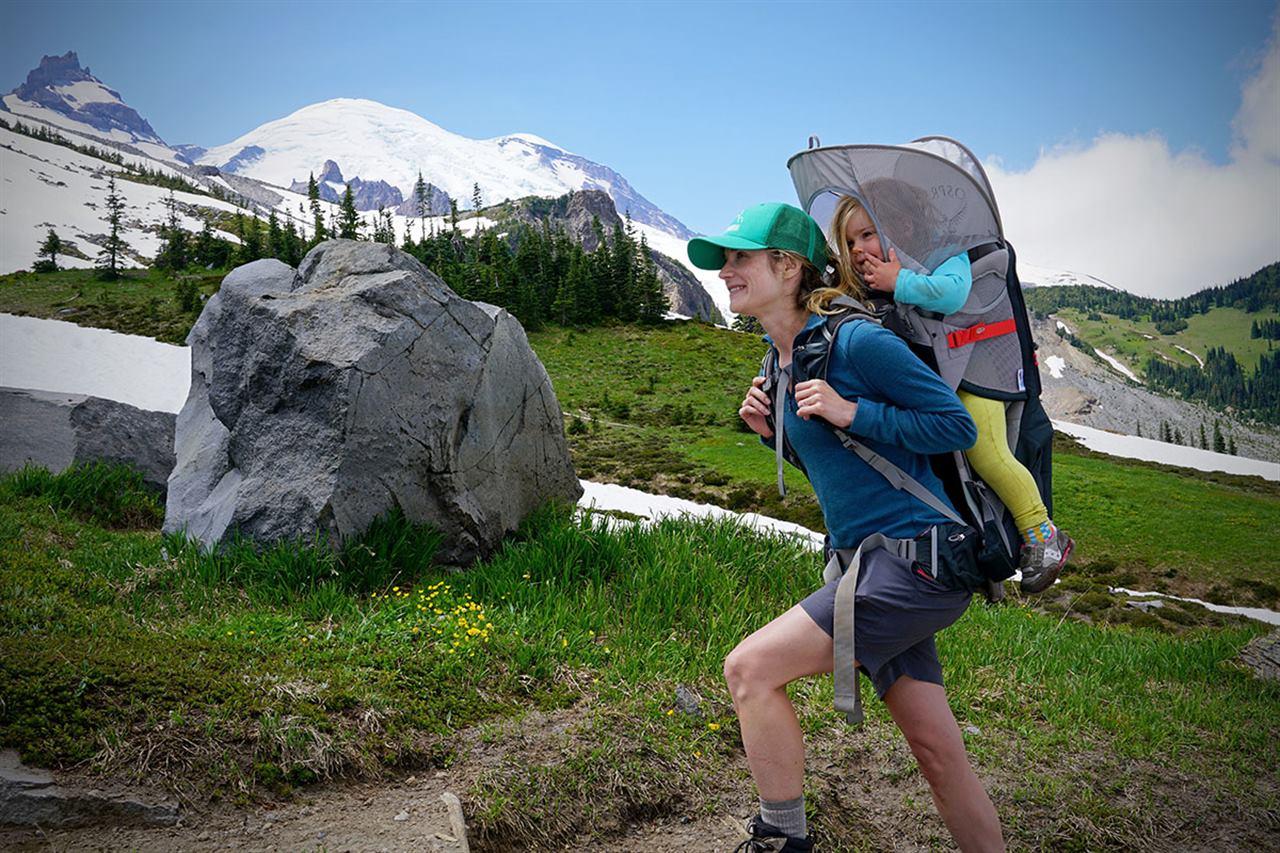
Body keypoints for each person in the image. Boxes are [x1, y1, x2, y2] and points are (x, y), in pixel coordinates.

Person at [687, 202, 1005, 852]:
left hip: (920, 561)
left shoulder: (856, 342)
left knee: (749, 669)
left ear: (789, 265)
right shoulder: (782, 362)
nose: (727, 270)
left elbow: (956, 426)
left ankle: (782, 840)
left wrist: (852, 410)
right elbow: (850, 476)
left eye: (741, 256)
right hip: (875, 564)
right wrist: (773, 434)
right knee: (939, 754)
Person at [830, 191, 1072, 593]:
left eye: (867, 235)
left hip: (982, 369)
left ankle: (1042, 534)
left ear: (901, 227)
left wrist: (898, 281)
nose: (857, 249)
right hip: (951, 373)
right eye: (850, 242)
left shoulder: (945, 251)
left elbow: (952, 293)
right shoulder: (883, 273)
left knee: (985, 450)